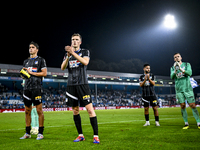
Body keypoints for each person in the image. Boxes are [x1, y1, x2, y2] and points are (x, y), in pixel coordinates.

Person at [61, 33, 100, 144]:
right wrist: (68, 56)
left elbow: (85, 62)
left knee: (90, 110)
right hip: (71, 86)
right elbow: (62, 67)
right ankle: (80, 135)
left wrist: (73, 53)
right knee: (75, 110)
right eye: (72, 39)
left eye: (76, 39)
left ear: (80, 42)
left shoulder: (85, 52)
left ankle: (96, 136)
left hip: (83, 84)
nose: (74, 41)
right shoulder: (67, 54)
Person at [20, 41, 47, 140]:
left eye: (32, 47)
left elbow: (44, 73)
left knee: (39, 110)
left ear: (37, 49)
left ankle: (40, 133)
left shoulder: (41, 60)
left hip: (36, 88)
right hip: (27, 88)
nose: (30, 49)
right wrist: (23, 74)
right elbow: (25, 75)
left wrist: (31, 73)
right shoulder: (26, 62)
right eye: (29, 47)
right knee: (27, 111)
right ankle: (27, 133)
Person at [170, 53, 200, 129]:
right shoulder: (172, 68)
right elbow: (171, 77)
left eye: (178, 57)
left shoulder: (187, 65)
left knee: (192, 105)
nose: (177, 58)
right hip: (179, 89)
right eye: (175, 57)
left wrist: (181, 69)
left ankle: (198, 122)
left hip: (187, 88)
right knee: (182, 106)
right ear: (174, 59)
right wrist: (175, 70)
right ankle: (186, 123)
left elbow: (189, 73)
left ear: (181, 57)